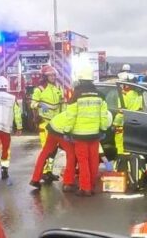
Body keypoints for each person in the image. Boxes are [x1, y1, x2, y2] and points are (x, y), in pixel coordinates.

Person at [61, 68, 113, 196]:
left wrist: (67, 131)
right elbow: (104, 115)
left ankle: (85, 188)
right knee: (93, 160)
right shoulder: (100, 95)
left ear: (80, 80)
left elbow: (70, 116)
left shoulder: (76, 95)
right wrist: (103, 129)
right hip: (95, 134)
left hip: (80, 134)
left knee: (83, 161)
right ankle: (92, 185)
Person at [30, 65, 65, 181]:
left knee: (54, 151)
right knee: (47, 149)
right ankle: (44, 172)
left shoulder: (58, 88)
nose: (54, 77)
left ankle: (48, 171)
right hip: (44, 123)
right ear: (45, 76)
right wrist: (40, 104)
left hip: (56, 125)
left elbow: (62, 105)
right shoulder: (39, 89)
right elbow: (32, 104)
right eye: (51, 75)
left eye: (54, 75)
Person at [29, 107, 76, 189]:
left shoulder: (74, 107)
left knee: (46, 153)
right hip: (59, 129)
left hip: (52, 126)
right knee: (71, 154)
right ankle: (68, 182)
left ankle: (36, 178)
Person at [112, 81, 144, 155]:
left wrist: (115, 124)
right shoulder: (138, 94)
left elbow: (121, 111)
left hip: (123, 120)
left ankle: (120, 156)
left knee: (119, 140)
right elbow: (140, 108)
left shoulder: (123, 95)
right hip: (137, 120)